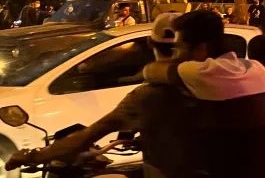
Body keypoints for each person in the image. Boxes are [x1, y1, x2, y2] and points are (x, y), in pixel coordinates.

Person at [5, 13, 191, 176]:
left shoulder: (146, 97)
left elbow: (86, 136)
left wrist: (31, 156)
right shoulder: (212, 86)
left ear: (150, 43)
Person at [142, 10, 265, 176]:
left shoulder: (203, 73)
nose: (176, 54)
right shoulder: (256, 68)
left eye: (180, 46)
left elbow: (151, 71)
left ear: (201, 48)